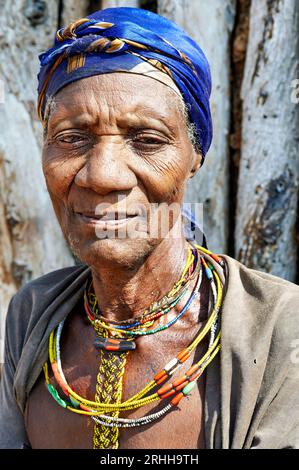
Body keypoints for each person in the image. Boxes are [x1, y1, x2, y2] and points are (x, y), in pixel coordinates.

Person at [0, 7, 298, 450]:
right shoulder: (34, 316)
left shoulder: (276, 326)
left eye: (147, 139)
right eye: (71, 137)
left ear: (194, 155)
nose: (102, 176)